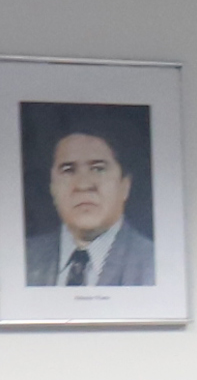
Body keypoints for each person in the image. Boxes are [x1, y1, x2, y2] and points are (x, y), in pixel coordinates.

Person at [30, 117, 154, 288]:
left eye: (98, 169)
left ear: (125, 185)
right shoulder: (24, 259)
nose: (83, 185)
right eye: (68, 170)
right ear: (52, 187)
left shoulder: (154, 264)